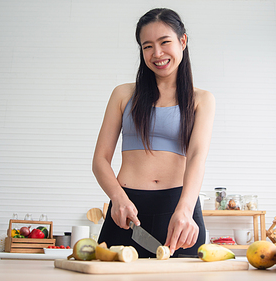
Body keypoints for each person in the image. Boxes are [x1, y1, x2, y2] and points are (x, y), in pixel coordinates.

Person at [92, 8, 215, 258]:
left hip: (179, 210)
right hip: (127, 211)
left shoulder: (202, 99)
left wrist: (186, 210)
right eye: (147, 46)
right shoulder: (123, 95)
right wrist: (117, 197)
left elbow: (196, 158)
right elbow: (100, 160)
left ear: (183, 41)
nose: (157, 53)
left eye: (164, 42)